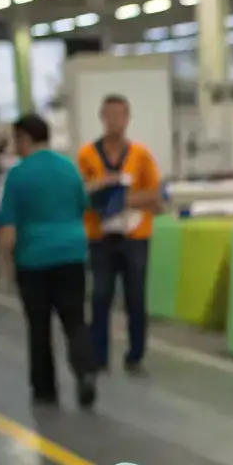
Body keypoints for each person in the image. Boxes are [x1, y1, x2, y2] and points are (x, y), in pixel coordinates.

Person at [0, 115, 99, 409]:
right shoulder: (69, 168)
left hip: (34, 259)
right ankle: (86, 371)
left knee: (39, 326)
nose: (15, 146)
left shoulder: (18, 176)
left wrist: (3, 268)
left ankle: (45, 390)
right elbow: (83, 206)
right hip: (71, 254)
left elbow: (8, 230)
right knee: (75, 320)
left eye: (16, 140)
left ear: (25, 139)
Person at [77, 94, 162, 374]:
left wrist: (121, 199)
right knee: (100, 295)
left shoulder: (140, 155)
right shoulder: (87, 155)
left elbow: (155, 196)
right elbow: (81, 193)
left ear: (127, 119)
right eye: (109, 115)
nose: (114, 121)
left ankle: (136, 354)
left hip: (135, 237)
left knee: (135, 296)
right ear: (102, 117)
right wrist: (99, 190)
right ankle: (98, 355)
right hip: (100, 237)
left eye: (120, 115)